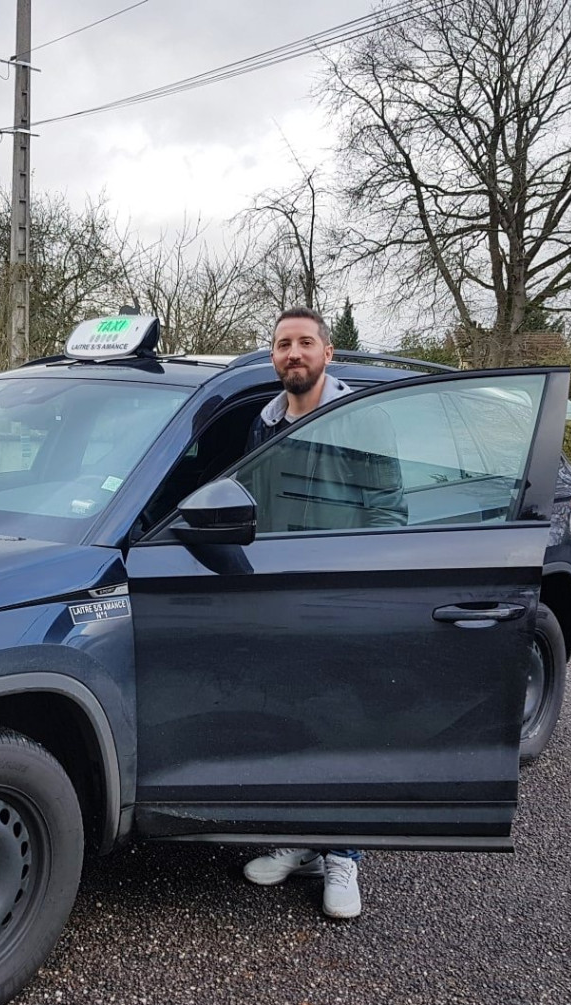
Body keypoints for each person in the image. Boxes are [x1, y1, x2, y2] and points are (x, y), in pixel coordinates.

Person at [240, 306, 368, 919]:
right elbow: (251, 504)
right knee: (286, 721)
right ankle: (298, 840)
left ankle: (342, 854)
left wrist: (371, 591)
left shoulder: (362, 421)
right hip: (277, 594)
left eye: (306, 343)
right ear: (273, 356)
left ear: (328, 353)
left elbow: (389, 509)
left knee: (340, 723)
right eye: (284, 344)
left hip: (340, 595)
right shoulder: (264, 425)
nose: (295, 353)